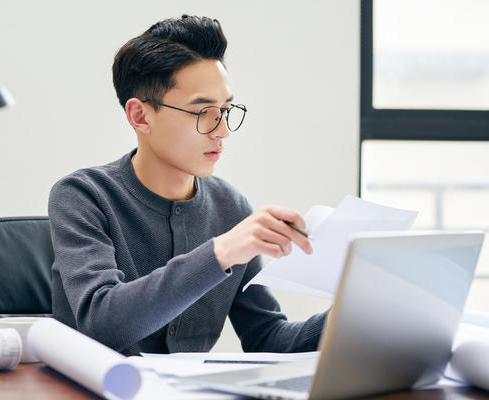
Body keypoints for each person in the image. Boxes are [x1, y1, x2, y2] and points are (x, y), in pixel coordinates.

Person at [48, 15, 327, 355]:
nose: (222, 129)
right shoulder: (82, 196)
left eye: (225, 109)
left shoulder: (230, 207)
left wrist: (348, 316)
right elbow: (103, 322)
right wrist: (221, 252)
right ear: (140, 116)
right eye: (204, 111)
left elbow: (266, 336)